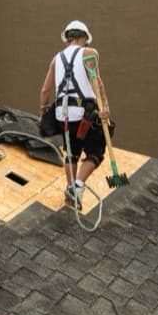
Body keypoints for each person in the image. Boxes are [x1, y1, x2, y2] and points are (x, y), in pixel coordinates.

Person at [39, 20, 111, 207]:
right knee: (96, 151)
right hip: (84, 113)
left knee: (71, 152)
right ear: (83, 37)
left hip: (62, 115)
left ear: (68, 38)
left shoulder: (56, 59)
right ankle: (78, 185)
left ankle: (71, 191)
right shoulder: (89, 53)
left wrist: (42, 112)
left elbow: (45, 91)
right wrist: (104, 108)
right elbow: (97, 82)